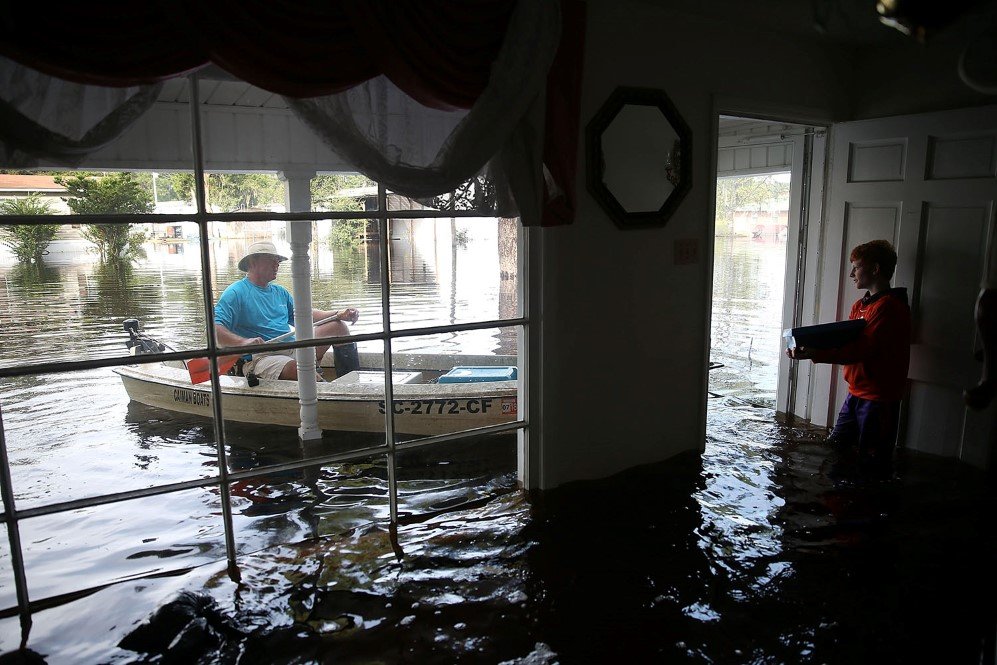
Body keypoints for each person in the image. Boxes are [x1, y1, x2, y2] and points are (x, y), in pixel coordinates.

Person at [786, 239, 911, 464]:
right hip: (856, 392)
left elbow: (861, 351)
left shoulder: (889, 307)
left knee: (871, 462)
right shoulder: (860, 305)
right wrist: (809, 349)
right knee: (837, 451)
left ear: (875, 269)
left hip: (879, 399)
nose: (852, 273)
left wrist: (815, 353)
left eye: (857, 266)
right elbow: (845, 342)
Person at [214, 240, 360, 380]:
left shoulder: (280, 292)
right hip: (261, 357)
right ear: (253, 262)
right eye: (271, 259)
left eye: (277, 260)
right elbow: (214, 329)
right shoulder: (235, 293)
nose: (277, 264)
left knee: (338, 327)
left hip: (292, 347)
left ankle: (352, 385)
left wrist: (338, 314)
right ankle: (323, 389)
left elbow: (305, 316)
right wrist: (243, 343)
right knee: (301, 369)